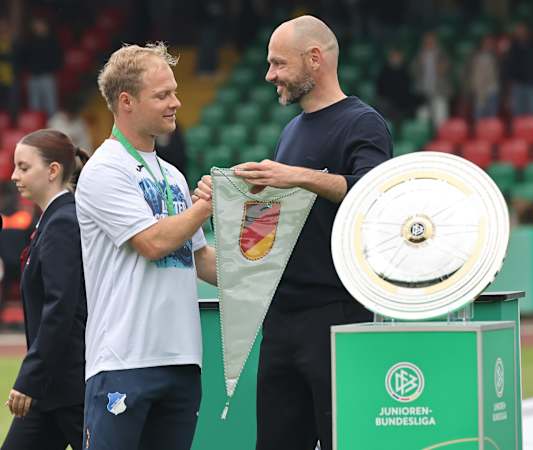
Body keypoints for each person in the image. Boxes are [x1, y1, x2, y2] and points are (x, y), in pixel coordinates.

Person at [195, 15, 392, 450]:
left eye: (278, 63)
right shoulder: (292, 130)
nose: (270, 75)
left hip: (337, 312)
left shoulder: (363, 122)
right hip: (281, 316)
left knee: (346, 440)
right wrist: (229, 195)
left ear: (315, 59)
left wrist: (297, 176)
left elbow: (374, 194)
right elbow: (279, 221)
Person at [75, 42, 217, 450]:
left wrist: (265, 269)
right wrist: (206, 205)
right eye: (162, 95)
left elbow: (201, 260)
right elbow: (152, 243)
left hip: (182, 359)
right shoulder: (105, 169)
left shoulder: (172, 174)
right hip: (124, 360)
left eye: (174, 91)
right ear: (126, 101)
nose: (176, 103)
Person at [2, 129, 88, 450]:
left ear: (53, 171)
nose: (14, 176)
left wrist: (30, 377)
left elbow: (59, 308)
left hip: (70, 387)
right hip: (52, 388)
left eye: (24, 167)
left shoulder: (63, 222)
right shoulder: (52, 220)